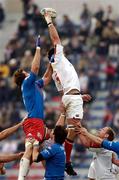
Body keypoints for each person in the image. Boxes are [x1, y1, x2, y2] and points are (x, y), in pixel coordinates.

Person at [42, 9, 91, 176]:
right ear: (54, 54)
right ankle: (69, 160)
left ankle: (62, 157)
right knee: (76, 130)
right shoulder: (59, 58)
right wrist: (49, 21)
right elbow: (55, 38)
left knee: (70, 130)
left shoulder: (56, 70)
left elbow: (64, 90)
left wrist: (78, 96)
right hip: (72, 98)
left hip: (69, 96)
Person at [13, 35, 52, 180]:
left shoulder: (34, 84)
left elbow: (47, 77)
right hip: (33, 122)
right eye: (26, 72)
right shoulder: (26, 84)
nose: (28, 73)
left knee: (41, 154)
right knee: (30, 148)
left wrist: (51, 62)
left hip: (38, 122)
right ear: (23, 76)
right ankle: (21, 178)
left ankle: (52, 177)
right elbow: (35, 67)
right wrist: (38, 48)